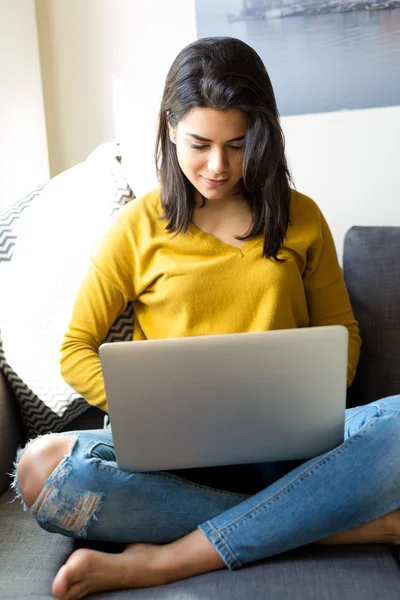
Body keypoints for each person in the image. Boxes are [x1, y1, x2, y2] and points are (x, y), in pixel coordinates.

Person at [12, 37, 400, 600]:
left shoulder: (301, 219)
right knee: (40, 468)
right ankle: (330, 525)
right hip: (170, 467)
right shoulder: (135, 229)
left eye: (239, 145)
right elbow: (76, 348)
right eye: (200, 144)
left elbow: (345, 344)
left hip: (289, 456)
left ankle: (170, 558)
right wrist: (156, 409)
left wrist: (296, 400)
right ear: (170, 128)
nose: (218, 166)